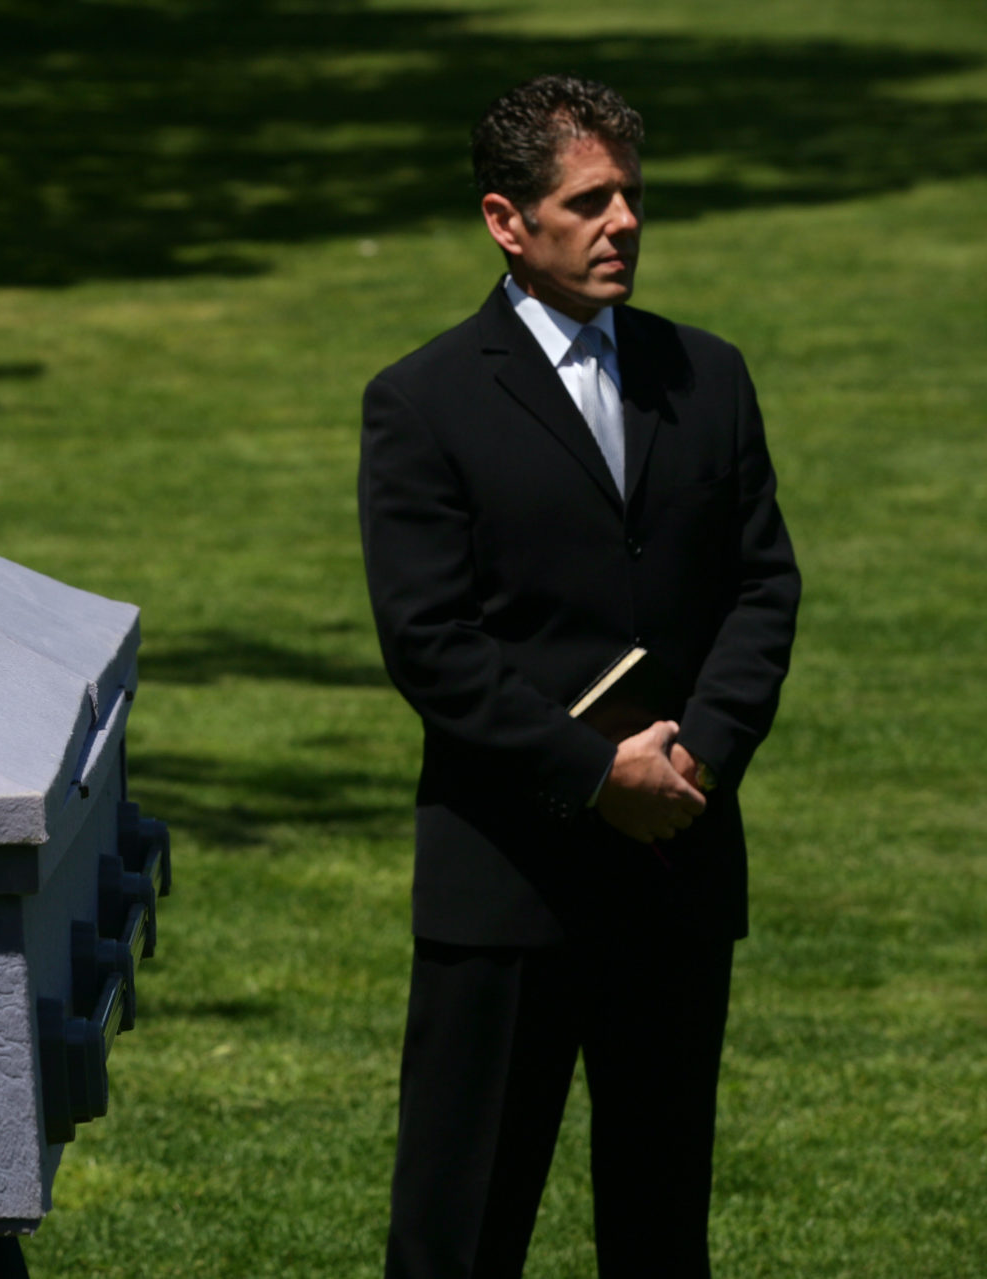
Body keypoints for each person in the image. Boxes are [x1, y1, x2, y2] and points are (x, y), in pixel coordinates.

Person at [357, 75, 801, 1278]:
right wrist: (594, 771)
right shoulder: (423, 400)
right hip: (506, 881)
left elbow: (764, 587)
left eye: (633, 198)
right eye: (590, 201)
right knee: (461, 1230)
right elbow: (430, 640)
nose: (624, 224)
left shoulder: (709, 376)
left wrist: (694, 755)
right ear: (508, 220)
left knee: (663, 1226)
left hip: (676, 862)